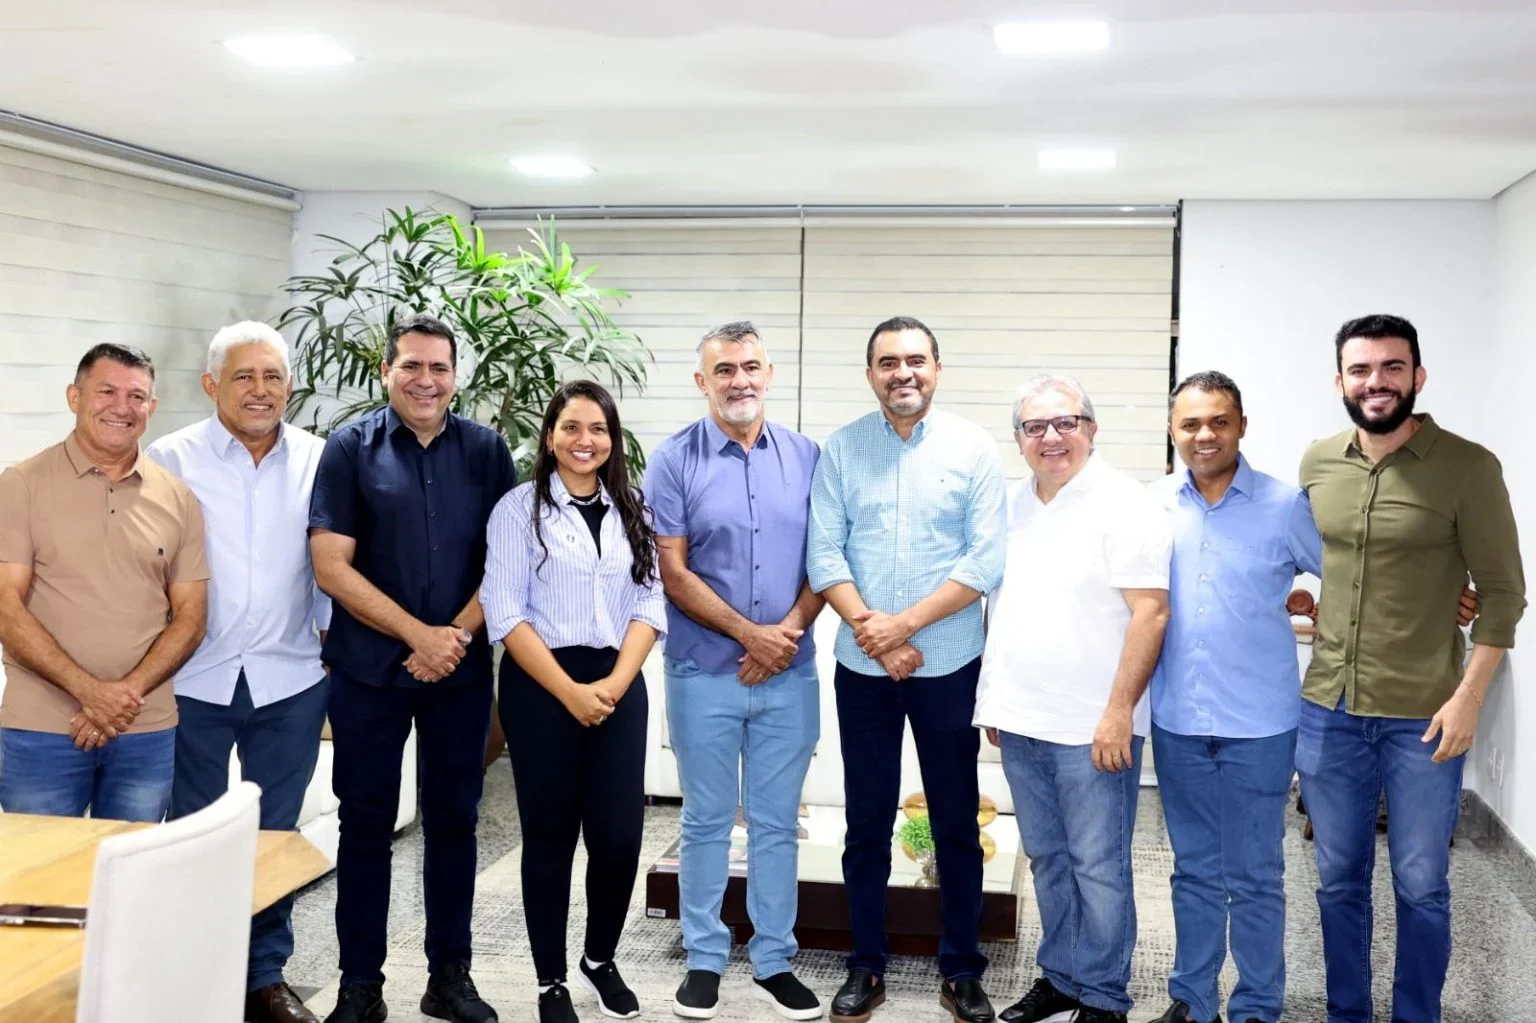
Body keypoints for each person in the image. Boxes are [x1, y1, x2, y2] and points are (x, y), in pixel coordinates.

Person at [1296, 314, 1525, 1023]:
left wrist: (1468, 698)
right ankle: (1347, 1012)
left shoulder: (1468, 467)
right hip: (1329, 707)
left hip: (1425, 716)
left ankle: (1415, 1015)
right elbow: (1322, 561)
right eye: (1361, 369)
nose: (1377, 382)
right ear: (1340, 381)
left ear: (1417, 376)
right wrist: (1301, 598)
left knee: (1421, 884)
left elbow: (1504, 592)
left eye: (1392, 367)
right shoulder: (1319, 462)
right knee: (1337, 880)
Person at [309, 313, 516, 1023]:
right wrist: (418, 636)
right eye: (412, 366)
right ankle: (359, 986)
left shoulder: (487, 451)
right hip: (367, 674)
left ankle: (449, 977)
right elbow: (331, 566)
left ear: (455, 376)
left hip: (459, 675)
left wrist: (451, 640)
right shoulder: (350, 448)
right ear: (387, 372)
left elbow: (507, 561)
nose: (426, 380)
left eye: (439, 368)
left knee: (455, 821)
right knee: (364, 825)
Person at [807, 316, 1006, 1023]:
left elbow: (984, 561)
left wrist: (904, 626)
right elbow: (824, 552)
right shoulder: (842, 448)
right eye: (888, 362)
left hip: (949, 664)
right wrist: (878, 634)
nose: (903, 372)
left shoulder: (974, 449)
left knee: (955, 821)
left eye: (915, 359)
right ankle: (866, 964)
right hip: (864, 669)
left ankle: (962, 968)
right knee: (865, 820)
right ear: (870, 375)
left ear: (937, 369)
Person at [146, 322, 331, 1023]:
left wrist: (334, 654)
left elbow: (330, 560)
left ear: (290, 385)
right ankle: (195, 976)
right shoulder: (171, 457)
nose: (260, 390)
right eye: (244, 376)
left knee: (273, 837)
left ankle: (264, 977)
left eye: (272, 376)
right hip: (192, 679)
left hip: (290, 679)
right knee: (191, 833)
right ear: (211, 384)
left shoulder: (319, 459)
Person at [644, 322, 825, 1021]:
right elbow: (672, 571)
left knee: (778, 823)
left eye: (750, 366)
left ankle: (775, 958)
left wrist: (784, 636)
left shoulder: (808, 457)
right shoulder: (673, 460)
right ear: (702, 381)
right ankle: (704, 957)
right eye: (724, 370)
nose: (739, 380)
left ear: (769, 373)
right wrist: (752, 636)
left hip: (789, 673)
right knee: (707, 820)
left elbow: (826, 561)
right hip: (703, 672)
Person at [976, 375, 1171, 1023]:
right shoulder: (1011, 505)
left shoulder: (1125, 503)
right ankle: (1061, 977)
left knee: (1099, 864)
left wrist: (1119, 713)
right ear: (1019, 439)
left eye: (1066, 422)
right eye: (1035, 427)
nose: (1051, 437)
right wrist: (995, 701)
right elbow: (1001, 605)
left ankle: (1104, 995)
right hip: (1022, 718)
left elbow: (1150, 613)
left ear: (1091, 428)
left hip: (1094, 726)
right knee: (1048, 860)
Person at [483, 380, 666, 1023]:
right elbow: (504, 611)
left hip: (618, 680)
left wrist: (613, 684)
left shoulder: (633, 508)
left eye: (598, 429)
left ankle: (598, 958)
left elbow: (650, 601)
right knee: (550, 835)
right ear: (550, 435)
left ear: (612, 439)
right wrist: (569, 692)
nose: (584, 441)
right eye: (571, 427)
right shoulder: (517, 510)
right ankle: (550, 979)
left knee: (619, 836)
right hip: (541, 686)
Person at [1141, 371, 1321, 1023]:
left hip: (1261, 725)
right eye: (1190, 423)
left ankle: (1256, 1006)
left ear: (1241, 425)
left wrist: (1441, 592)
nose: (1205, 435)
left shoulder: (1285, 504)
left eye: (1219, 421)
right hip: (1178, 718)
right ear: (1172, 430)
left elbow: (1352, 576)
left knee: (1255, 875)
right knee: (1192, 869)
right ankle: (1192, 1000)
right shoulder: (1151, 504)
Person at [0, 343, 207, 821]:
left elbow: (192, 616)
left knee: (132, 865)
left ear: (152, 407)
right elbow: (6, 608)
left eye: (137, 396)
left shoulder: (178, 498)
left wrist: (121, 697)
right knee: (41, 867)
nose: (122, 407)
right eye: (106, 391)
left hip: (145, 729)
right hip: (42, 730)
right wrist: (91, 693)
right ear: (74, 396)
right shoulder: (21, 484)